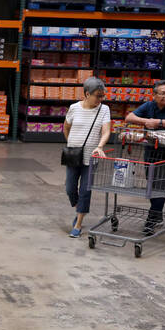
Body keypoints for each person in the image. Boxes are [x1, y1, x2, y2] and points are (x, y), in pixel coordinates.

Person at [125, 81, 165, 234]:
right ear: (154, 96)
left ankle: (151, 220)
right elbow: (129, 117)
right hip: (151, 151)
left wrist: (158, 122)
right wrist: (146, 121)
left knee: (161, 185)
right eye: (163, 93)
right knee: (152, 184)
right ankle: (157, 215)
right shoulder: (149, 106)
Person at [64, 77, 112, 238]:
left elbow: (106, 131)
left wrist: (100, 146)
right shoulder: (74, 108)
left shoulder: (104, 109)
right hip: (73, 154)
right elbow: (66, 127)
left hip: (92, 156)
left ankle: (78, 223)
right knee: (70, 188)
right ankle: (79, 209)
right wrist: (71, 143)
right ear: (86, 94)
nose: (101, 99)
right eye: (98, 96)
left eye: (102, 96)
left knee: (85, 190)